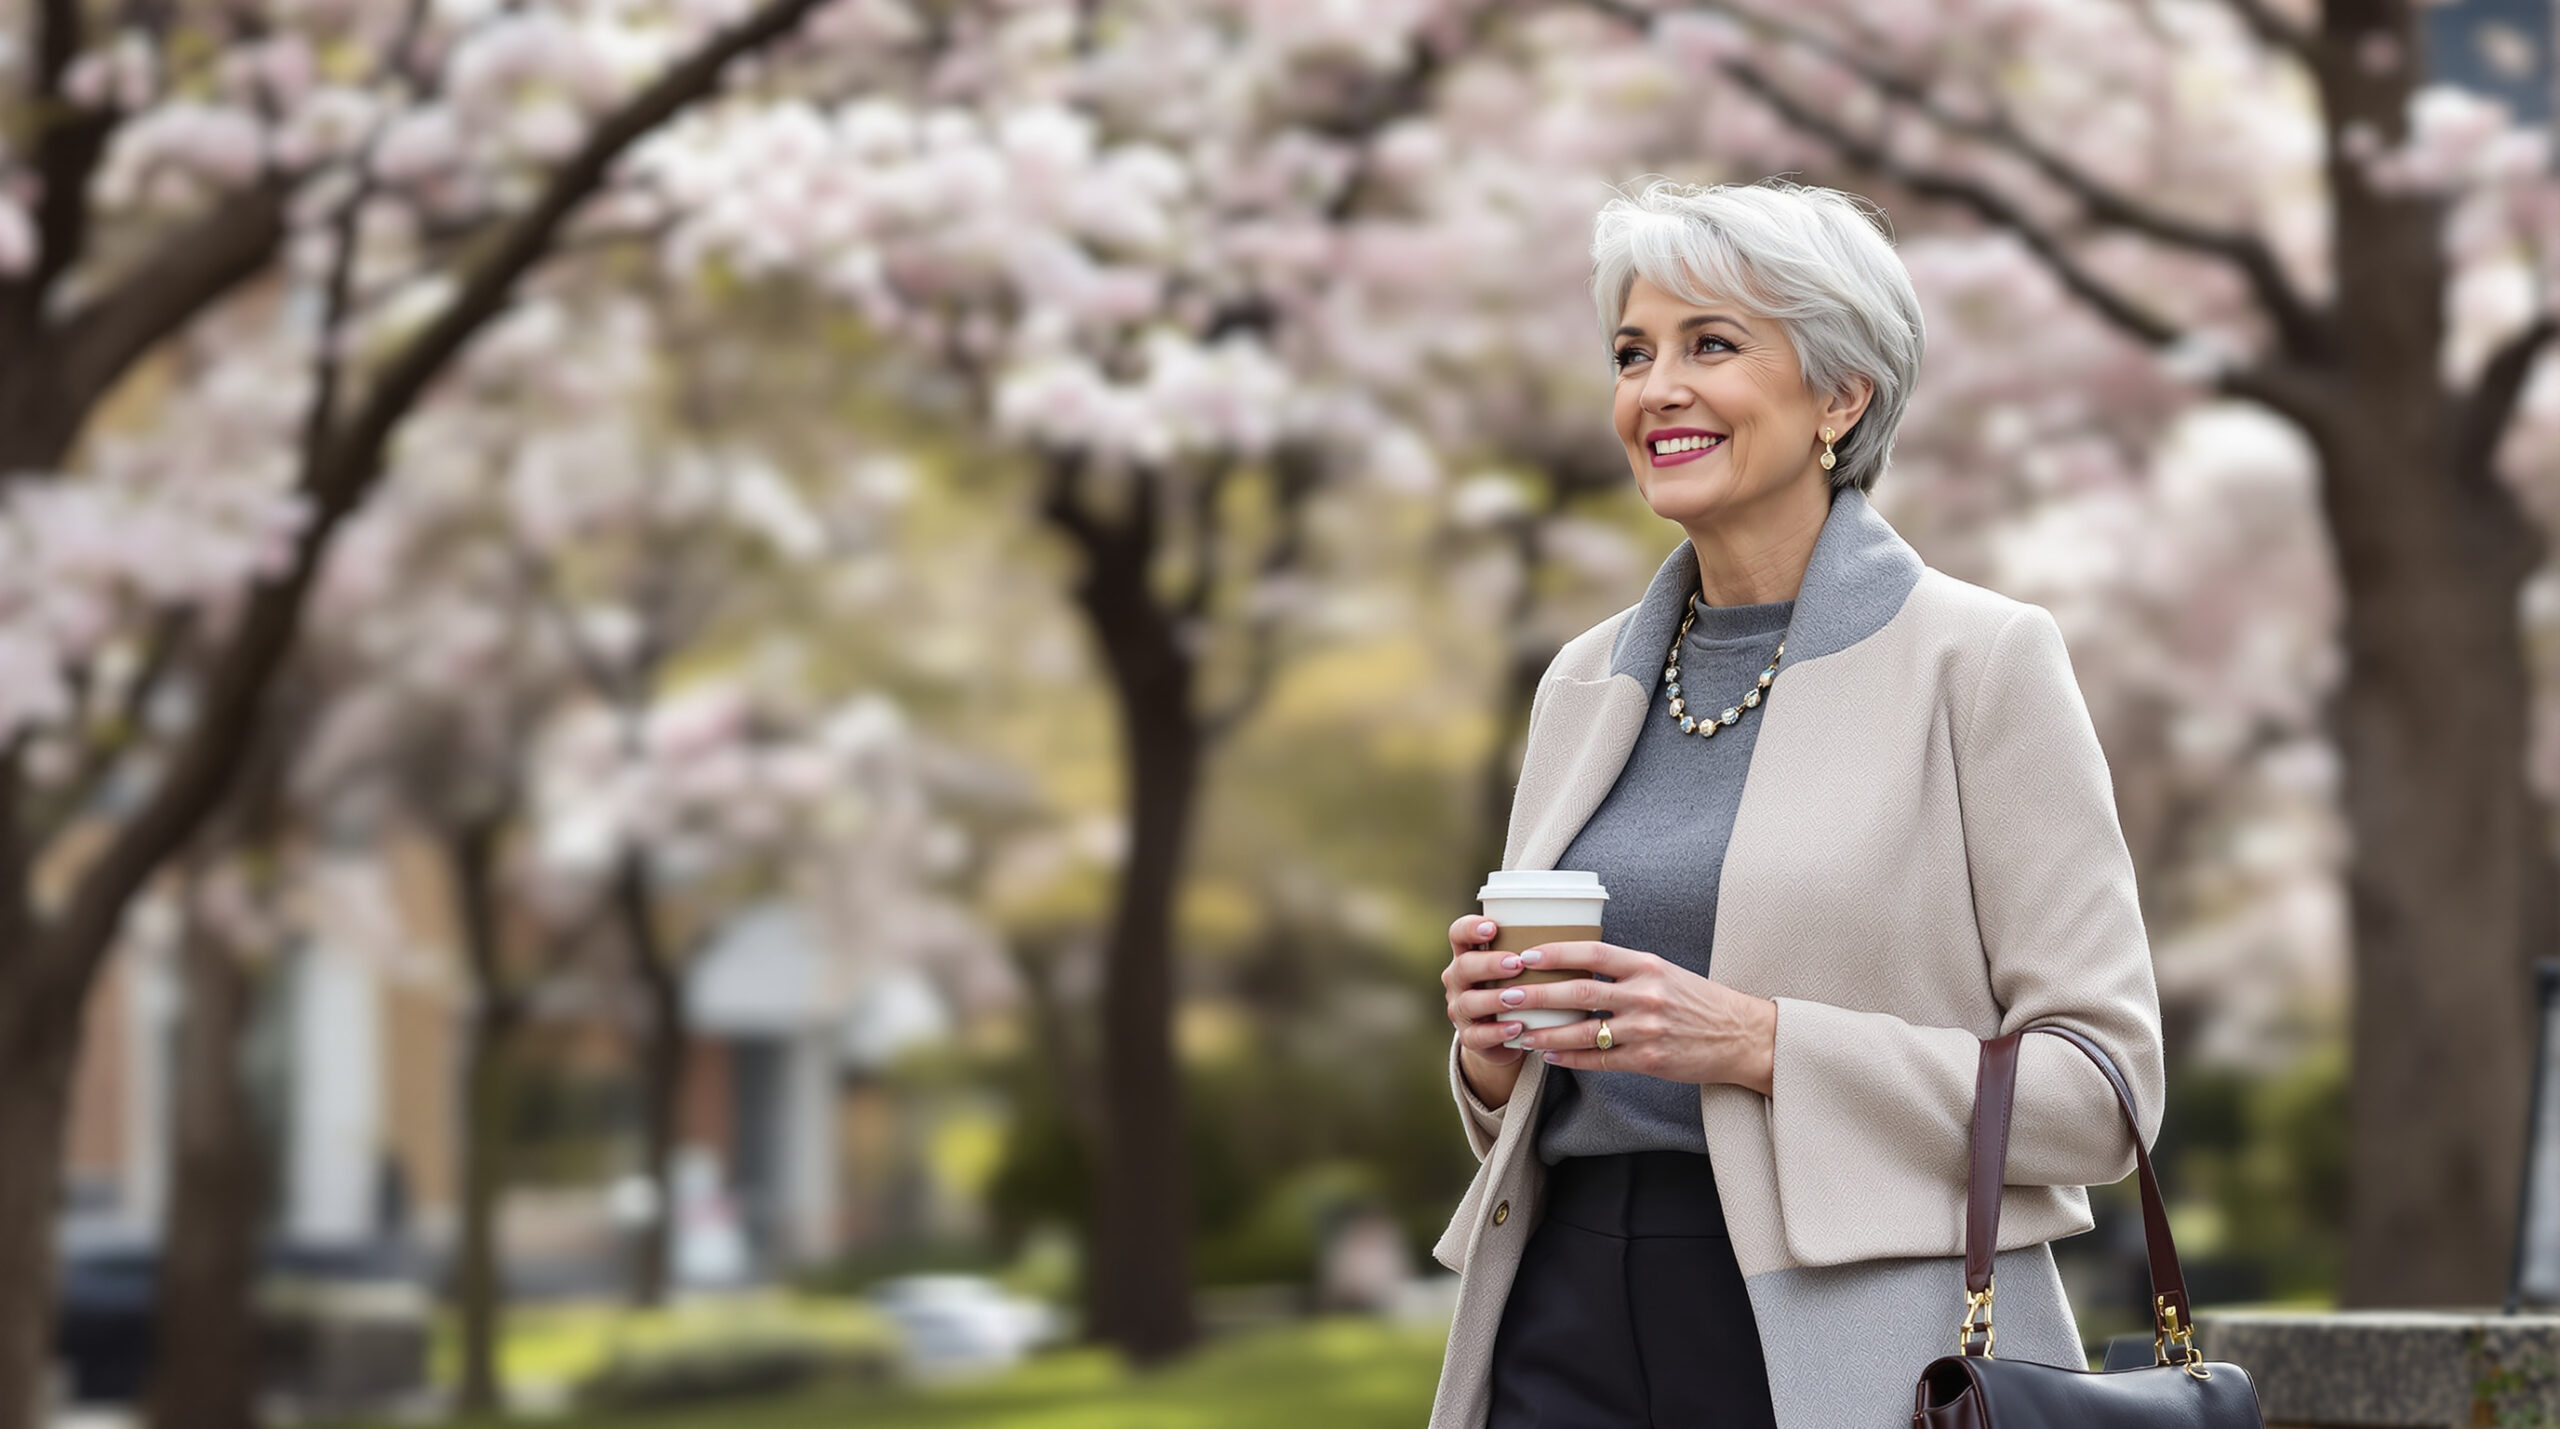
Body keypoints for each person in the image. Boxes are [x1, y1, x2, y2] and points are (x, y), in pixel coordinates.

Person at [1428, 177, 2165, 1429]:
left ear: (1841, 393)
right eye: (1631, 352)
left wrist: (1763, 1045)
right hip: (1558, 1308)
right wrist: (1493, 1059)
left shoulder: (1979, 661)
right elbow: (1562, 1090)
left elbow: (2101, 1094)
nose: (1655, 387)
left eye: (1711, 344)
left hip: (1851, 1339)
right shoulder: (1581, 683)